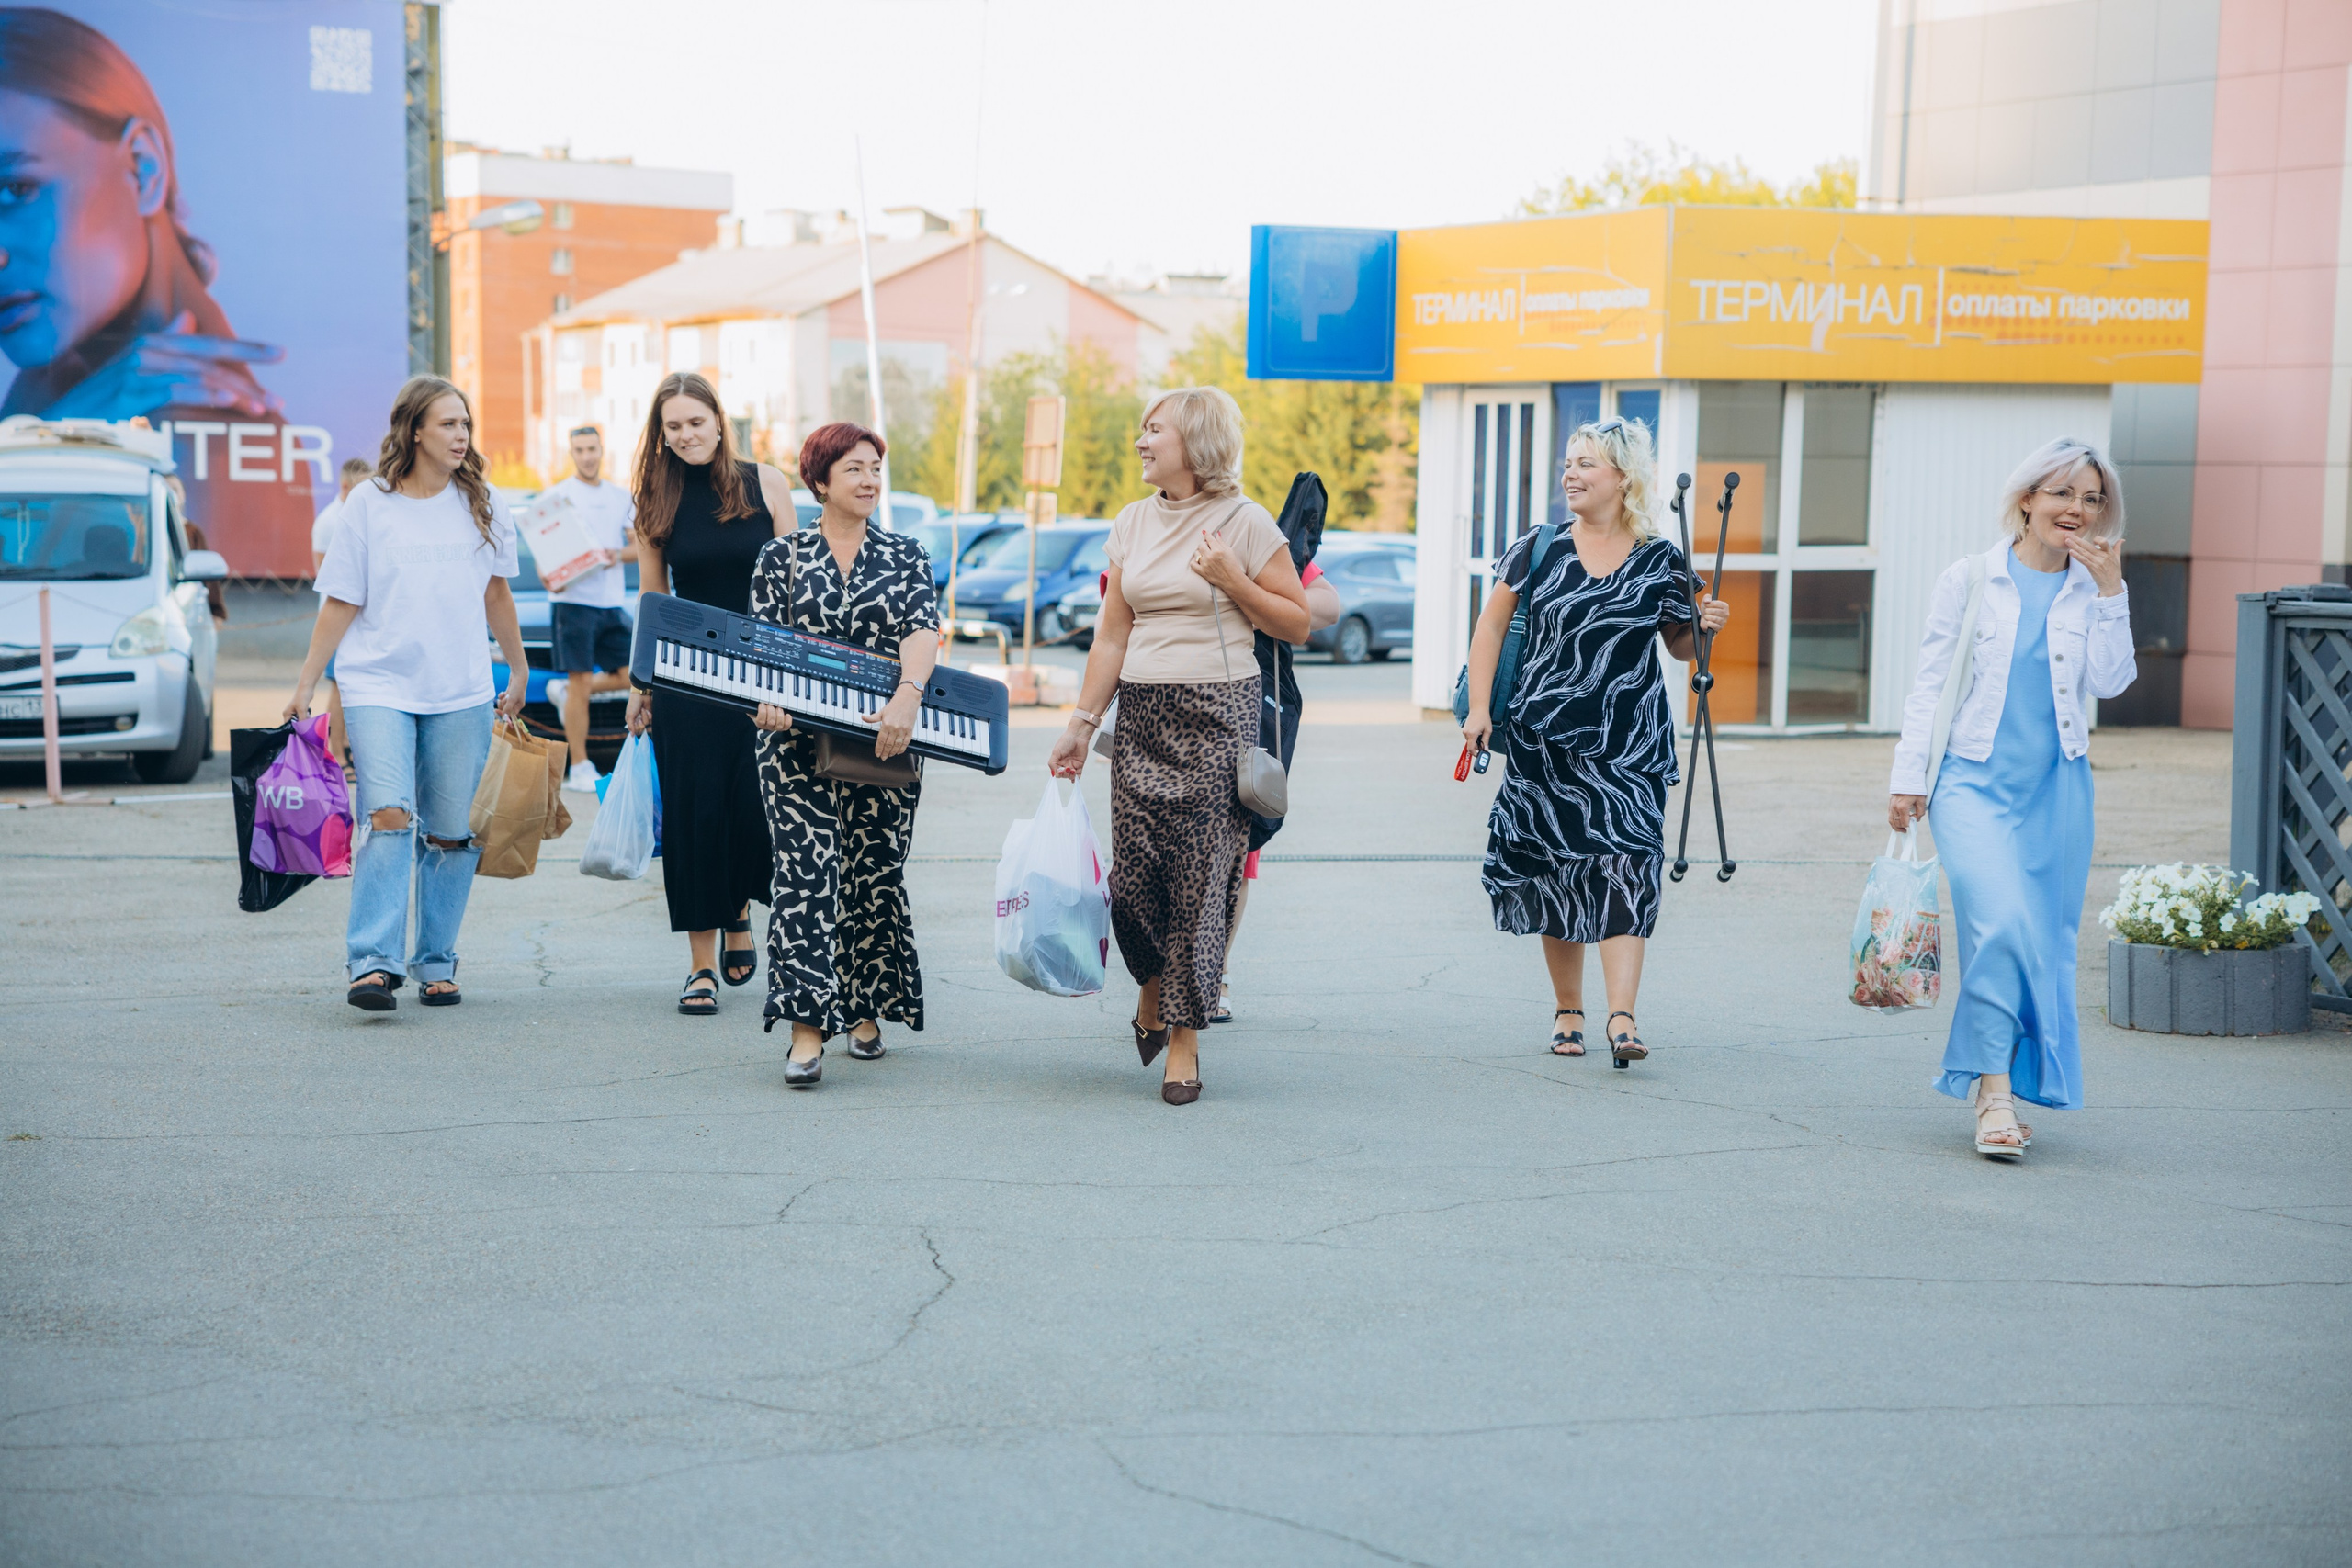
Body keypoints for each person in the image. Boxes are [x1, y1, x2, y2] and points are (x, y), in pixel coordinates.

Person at [1047, 387, 1311, 1105]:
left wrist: (1233, 581)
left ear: (1195, 441)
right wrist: (1081, 720)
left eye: (1153, 428)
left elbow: (1296, 623)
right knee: (1133, 883)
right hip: (1142, 712)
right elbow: (1112, 632)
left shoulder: (1245, 521)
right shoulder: (1132, 522)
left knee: (1201, 882)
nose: (1140, 439)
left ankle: (1184, 1040)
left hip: (1218, 714)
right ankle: (1155, 988)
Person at [1889, 438, 2134, 1159]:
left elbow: (2112, 684)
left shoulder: (2094, 587)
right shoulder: (1970, 578)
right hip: (1971, 782)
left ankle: (2000, 1083)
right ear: (2027, 499)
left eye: (2092, 499)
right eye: (2064, 493)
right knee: (1997, 926)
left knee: (2042, 942)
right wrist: (1909, 776)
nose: (2078, 510)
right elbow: (1932, 682)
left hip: (2058, 788)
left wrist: (2115, 594)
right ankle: (1994, 1094)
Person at [1461, 417, 1730, 1067]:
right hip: (1542, 740)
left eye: (1586, 463)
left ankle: (1622, 1015)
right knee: (1557, 870)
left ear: (1623, 478)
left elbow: (1681, 647)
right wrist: (1477, 709)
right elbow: (1492, 627)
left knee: (1631, 864)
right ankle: (1568, 1010)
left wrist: (1707, 626)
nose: (1571, 474)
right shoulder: (1540, 546)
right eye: (1568, 462)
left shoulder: (1661, 557)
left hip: (1628, 744)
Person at [0, 10, 311, 550]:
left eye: (17, 189)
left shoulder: (203, 435)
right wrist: (50, 432)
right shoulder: (55, 387)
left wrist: (46, 438)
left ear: (143, 168)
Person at [284, 376, 527, 1011]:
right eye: (448, 424)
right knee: (389, 815)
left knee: (449, 832)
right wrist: (307, 683)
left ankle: (436, 960)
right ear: (414, 429)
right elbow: (341, 600)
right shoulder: (369, 503)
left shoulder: (484, 502)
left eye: (466, 425)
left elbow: (497, 594)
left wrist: (520, 670)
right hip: (379, 683)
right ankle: (372, 962)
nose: (461, 435)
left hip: (461, 688)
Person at [747, 422, 940, 1087]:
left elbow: (921, 629)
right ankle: (806, 1030)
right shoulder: (783, 556)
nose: (868, 481)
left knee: (872, 872)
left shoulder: (906, 553)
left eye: (876, 470)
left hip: (886, 738)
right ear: (821, 479)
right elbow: (762, 648)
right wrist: (764, 703)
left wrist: (908, 696)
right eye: (854, 469)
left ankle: (863, 1008)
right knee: (806, 877)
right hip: (794, 746)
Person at [623, 372, 794, 1016]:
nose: (687, 434)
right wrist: (643, 684)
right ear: (660, 435)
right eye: (673, 426)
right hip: (688, 676)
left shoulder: (766, 482)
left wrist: (789, 679)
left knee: (751, 807)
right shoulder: (653, 498)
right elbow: (652, 597)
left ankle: (740, 912)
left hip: (761, 672)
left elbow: (793, 586)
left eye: (696, 421)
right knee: (697, 815)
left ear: (719, 422)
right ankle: (700, 966)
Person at [1214, 557, 1342, 1024]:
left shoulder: (1256, 536)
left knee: (1238, 853)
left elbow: (1327, 607)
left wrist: (1249, 596)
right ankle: (1162, 979)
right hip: (1168, 710)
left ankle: (1214, 974)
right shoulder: (1150, 524)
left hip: (1247, 716)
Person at [537, 424, 639, 792]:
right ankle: (580, 766)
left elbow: (639, 547)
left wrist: (610, 555)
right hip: (572, 604)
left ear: (602, 450)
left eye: (592, 449)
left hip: (611, 602)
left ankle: (564, 693)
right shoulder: (557, 497)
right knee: (579, 683)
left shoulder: (620, 496)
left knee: (637, 675)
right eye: (579, 450)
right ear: (572, 453)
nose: (587, 456)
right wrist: (552, 576)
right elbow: (544, 557)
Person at [310, 457, 375, 765]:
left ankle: (345, 746)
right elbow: (329, 579)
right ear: (346, 486)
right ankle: (335, 754)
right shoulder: (331, 521)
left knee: (352, 689)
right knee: (339, 689)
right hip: (339, 621)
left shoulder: (360, 514)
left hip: (359, 620)